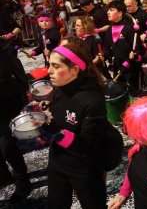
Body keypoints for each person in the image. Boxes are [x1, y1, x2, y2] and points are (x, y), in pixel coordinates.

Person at [38, 41, 108, 208]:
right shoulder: (59, 88)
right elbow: (59, 116)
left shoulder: (92, 100)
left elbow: (86, 146)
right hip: (57, 161)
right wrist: (43, 127)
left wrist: (58, 133)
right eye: (49, 65)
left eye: (56, 66)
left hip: (85, 168)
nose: (49, 71)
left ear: (74, 70)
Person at [0, 46, 33, 201]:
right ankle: (4, 175)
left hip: (6, 105)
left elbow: (21, 81)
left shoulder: (5, 55)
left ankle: (23, 181)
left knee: (7, 146)